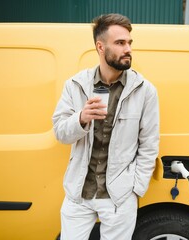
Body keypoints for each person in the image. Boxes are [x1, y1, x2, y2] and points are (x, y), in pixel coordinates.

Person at [52, 13, 160, 240]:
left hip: (119, 197)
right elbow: (60, 132)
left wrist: (135, 189)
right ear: (101, 47)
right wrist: (81, 118)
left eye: (129, 42)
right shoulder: (75, 85)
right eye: (120, 43)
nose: (128, 49)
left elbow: (149, 144)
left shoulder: (145, 90)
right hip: (78, 193)